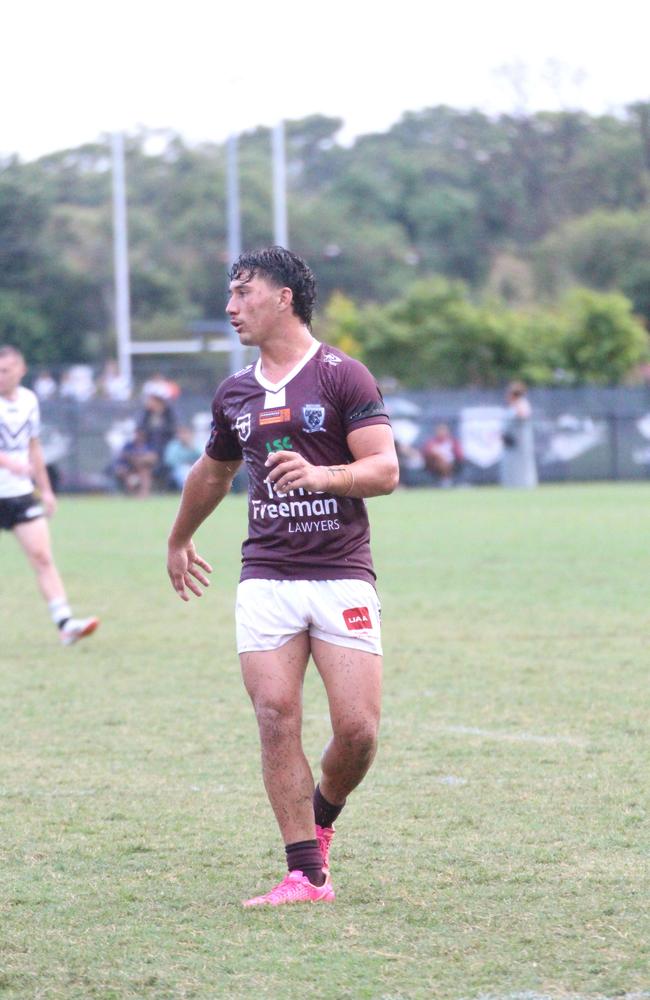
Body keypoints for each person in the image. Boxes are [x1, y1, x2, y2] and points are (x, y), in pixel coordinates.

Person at [167, 247, 399, 907]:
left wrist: (322, 475)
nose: (230, 306)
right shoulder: (234, 392)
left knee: (358, 732)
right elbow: (212, 474)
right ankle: (305, 872)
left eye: (243, 292)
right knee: (275, 715)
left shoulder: (341, 375)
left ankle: (323, 813)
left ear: (285, 297)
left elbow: (384, 470)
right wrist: (180, 537)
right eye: (230, 294)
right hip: (265, 575)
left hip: (340, 572)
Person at [0, 345, 99, 645]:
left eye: (5, 370)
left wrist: (47, 490)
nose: (1, 376)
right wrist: (7, 461)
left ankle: (65, 624)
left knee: (42, 557)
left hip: (19, 494)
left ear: (21, 370)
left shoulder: (30, 400)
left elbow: (34, 447)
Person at [500, 380, 538, 488]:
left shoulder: (522, 403)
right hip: (510, 441)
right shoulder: (510, 406)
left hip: (520, 441)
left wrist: (516, 405)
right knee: (511, 466)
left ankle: (524, 485)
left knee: (522, 466)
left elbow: (524, 415)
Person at [111, 428, 159, 497]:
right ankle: (132, 494)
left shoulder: (149, 445)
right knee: (123, 471)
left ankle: (144, 493)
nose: (138, 436)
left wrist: (140, 460)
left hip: (145, 470)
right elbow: (124, 456)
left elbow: (153, 458)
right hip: (130, 470)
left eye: (140, 434)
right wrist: (134, 459)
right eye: (136, 434)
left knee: (144, 470)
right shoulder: (129, 445)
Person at [421, 423, 463, 487]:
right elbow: (426, 452)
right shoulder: (432, 442)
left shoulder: (452, 442)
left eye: (443, 430)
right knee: (439, 460)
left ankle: (447, 479)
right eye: (440, 431)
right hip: (435, 465)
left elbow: (459, 455)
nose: (442, 433)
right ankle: (444, 480)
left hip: (452, 463)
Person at [163, 426, 202, 490]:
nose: (183, 436)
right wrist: (184, 463)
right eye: (181, 433)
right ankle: (191, 490)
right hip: (179, 470)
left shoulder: (197, 444)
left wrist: (192, 447)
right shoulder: (173, 445)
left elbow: (203, 457)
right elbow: (169, 461)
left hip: (197, 468)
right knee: (184, 470)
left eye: (185, 433)